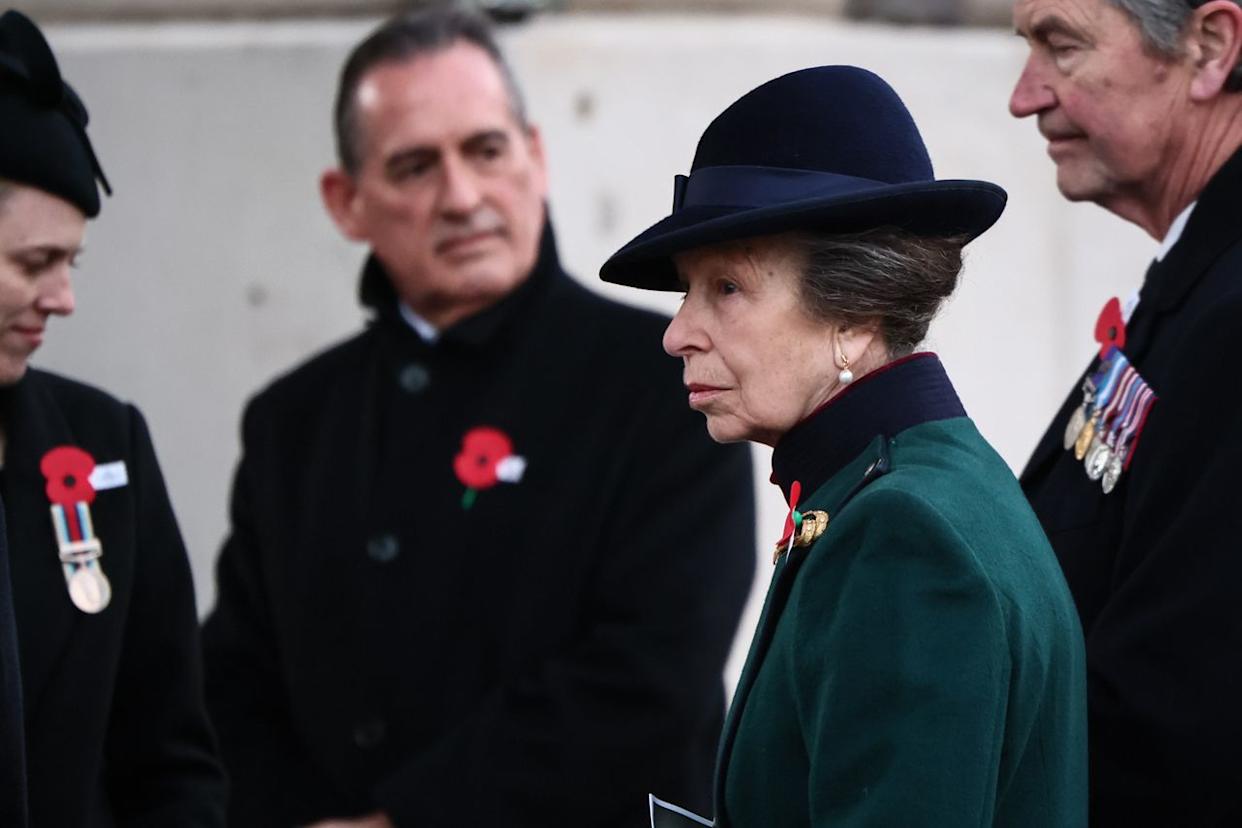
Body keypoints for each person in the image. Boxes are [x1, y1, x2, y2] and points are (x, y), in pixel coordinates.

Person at [200, 7, 756, 827]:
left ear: (535, 156)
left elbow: (651, 678)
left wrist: (403, 821)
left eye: (486, 150)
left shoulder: (671, 379)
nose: (461, 197)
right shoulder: (293, 422)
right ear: (346, 201)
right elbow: (235, 687)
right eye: (415, 166)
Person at [600, 65, 1088, 827]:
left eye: (726, 288)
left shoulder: (906, 535)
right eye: (685, 290)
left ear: (857, 316)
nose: (677, 332)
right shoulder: (910, 486)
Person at [1010, 0, 1242, 822]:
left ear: (1210, 48)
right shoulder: (1200, 281)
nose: (1024, 95)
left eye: (1061, 46)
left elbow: (1181, 717)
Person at [0, 9, 227, 827]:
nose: (63, 298)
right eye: (36, 263)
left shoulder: (102, 444)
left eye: (72, 262)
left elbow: (169, 755)